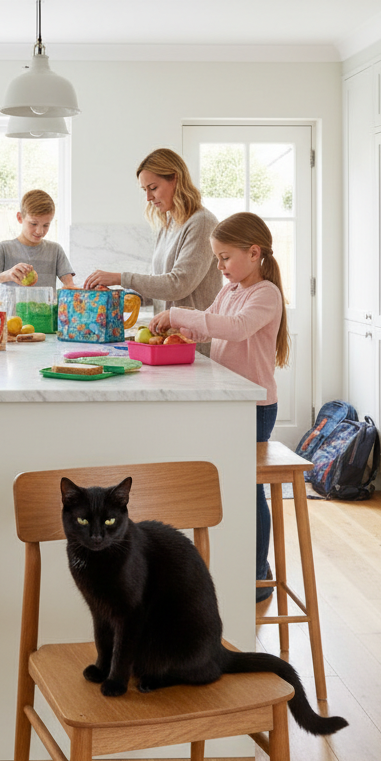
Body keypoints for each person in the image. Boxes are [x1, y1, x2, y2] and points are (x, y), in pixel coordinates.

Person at [150, 211, 289, 602]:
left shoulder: (265, 293)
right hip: (233, 401)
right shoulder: (230, 290)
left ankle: (258, 576)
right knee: (233, 483)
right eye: (217, 258)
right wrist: (181, 329)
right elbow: (211, 323)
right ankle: (236, 563)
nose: (220, 266)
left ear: (254, 252)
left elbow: (236, 328)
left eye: (225, 257)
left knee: (250, 486)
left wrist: (178, 311)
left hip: (255, 406)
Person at [84, 148, 222, 355]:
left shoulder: (201, 222)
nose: (148, 197)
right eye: (144, 190)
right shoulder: (168, 224)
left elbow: (178, 285)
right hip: (166, 342)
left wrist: (120, 277)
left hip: (194, 346)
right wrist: (117, 297)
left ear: (175, 179)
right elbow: (160, 288)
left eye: (153, 188)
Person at [0, 188, 76, 298]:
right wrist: (6, 276)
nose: (40, 231)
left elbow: (70, 287)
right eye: (33, 224)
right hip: (12, 316)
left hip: (46, 315)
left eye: (46, 225)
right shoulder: (3, 249)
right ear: (20, 217)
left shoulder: (55, 250)